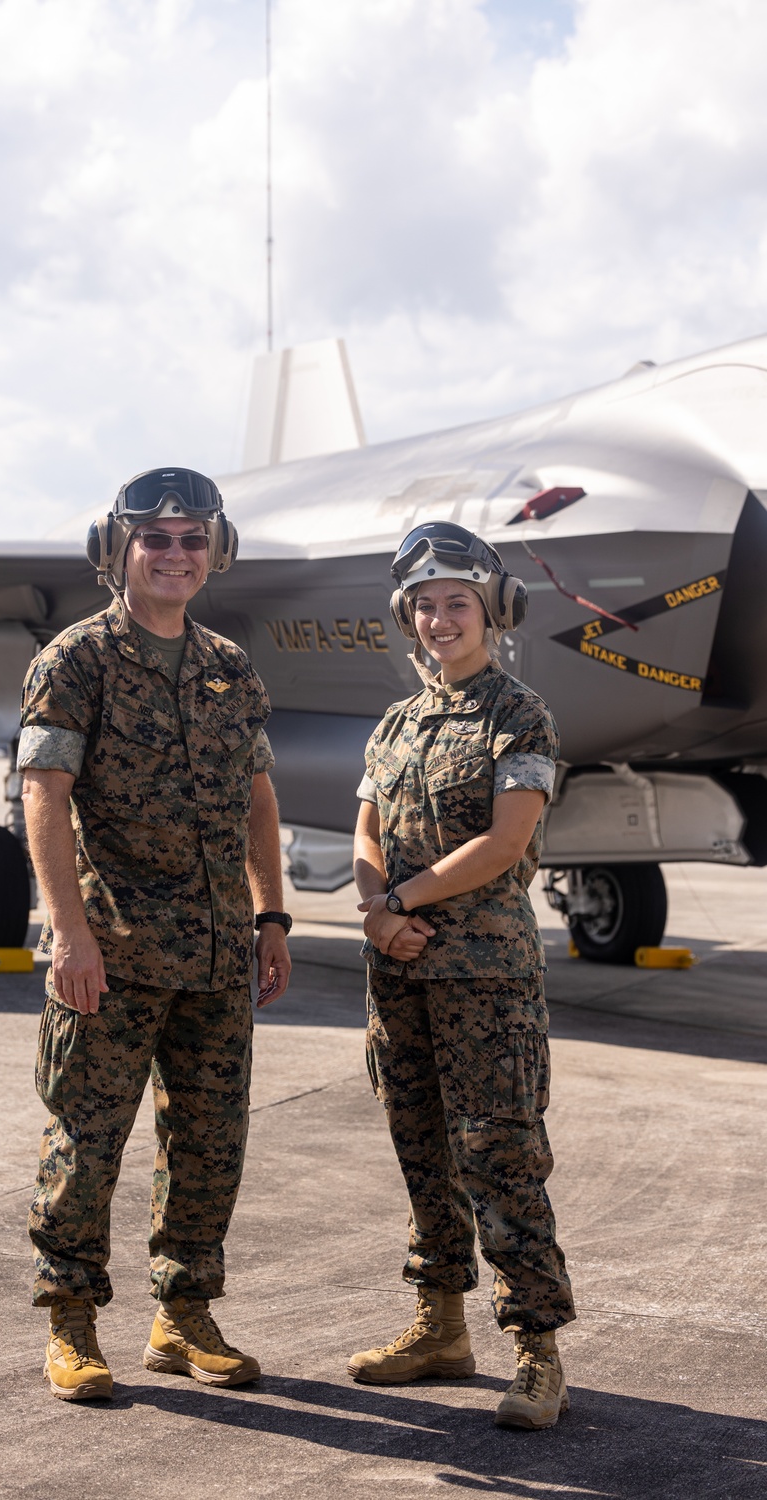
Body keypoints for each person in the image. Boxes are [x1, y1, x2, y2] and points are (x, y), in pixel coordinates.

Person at [18, 467, 292, 1401]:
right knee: (86, 1143)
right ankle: (71, 1322)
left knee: (211, 1144)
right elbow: (42, 796)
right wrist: (69, 934)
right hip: (116, 952)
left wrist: (271, 914)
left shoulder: (229, 665)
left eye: (192, 538)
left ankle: (182, 1314)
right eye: (157, 538)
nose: (177, 553)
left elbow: (259, 798)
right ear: (119, 550)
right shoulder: (76, 660)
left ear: (215, 551)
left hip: (218, 957)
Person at [347, 521, 575, 1430]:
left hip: (484, 978)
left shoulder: (517, 713)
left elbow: (506, 841)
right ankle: (440, 1327)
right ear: (409, 619)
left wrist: (397, 901)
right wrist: (377, 912)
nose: (441, 621)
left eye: (457, 604)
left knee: (502, 1158)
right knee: (421, 1152)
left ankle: (537, 1351)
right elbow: (364, 829)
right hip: (398, 974)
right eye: (426, 607)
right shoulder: (398, 723)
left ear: (489, 611)